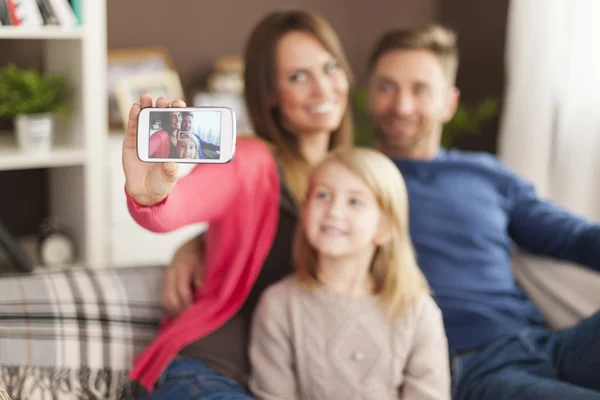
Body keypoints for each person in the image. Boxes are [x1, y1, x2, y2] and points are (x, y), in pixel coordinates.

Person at [165, 23, 600, 400]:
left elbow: (572, 237)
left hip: (543, 339)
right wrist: (198, 241)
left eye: (420, 90)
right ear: (366, 94)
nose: (401, 106)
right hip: (469, 361)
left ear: (448, 102)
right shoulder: (348, 181)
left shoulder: (486, 174)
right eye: (387, 87)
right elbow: (266, 215)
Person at [122, 9, 354, 399]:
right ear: (269, 95)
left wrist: (200, 243)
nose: (322, 89)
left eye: (330, 68)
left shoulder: (353, 178)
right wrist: (153, 195)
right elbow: (183, 203)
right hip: (209, 372)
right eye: (298, 77)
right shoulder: (251, 161)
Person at [248, 147, 450, 400]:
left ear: (385, 228)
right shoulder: (278, 305)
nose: (334, 211)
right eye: (323, 195)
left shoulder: (417, 311)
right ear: (305, 210)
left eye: (355, 201)